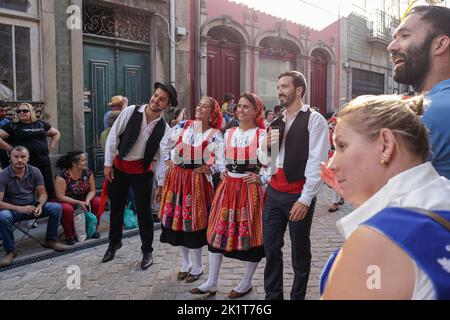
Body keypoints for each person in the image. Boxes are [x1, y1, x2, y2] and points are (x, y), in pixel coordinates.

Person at [320, 94, 450, 299]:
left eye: (342, 146)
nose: (331, 164)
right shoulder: (440, 196)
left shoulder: (379, 238)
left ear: (385, 145)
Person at [190, 93, 268, 298]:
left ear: (256, 110)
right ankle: (212, 281)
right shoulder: (230, 132)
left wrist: (262, 178)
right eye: (239, 106)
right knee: (217, 229)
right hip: (228, 186)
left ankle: (246, 282)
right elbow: (221, 157)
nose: (240, 110)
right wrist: (222, 169)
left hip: (249, 188)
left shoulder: (264, 134)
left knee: (250, 232)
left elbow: (273, 163)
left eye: (245, 107)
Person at [261, 71, 329, 300]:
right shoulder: (276, 121)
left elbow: (317, 162)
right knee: (270, 249)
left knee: (299, 253)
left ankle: (297, 297)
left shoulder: (314, 119)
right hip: (273, 194)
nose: (280, 91)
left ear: (298, 90)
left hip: (296, 196)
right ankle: (273, 298)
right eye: (278, 86)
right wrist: (264, 148)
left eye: (285, 86)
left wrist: (305, 199)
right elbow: (269, 161)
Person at [101, 82, 175, 270]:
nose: (156, 100)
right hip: (119, 168)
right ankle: (114, 243)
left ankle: (147, 251)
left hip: (142, 173)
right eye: (156, 95)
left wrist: (160, 184)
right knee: (116, 209)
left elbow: (161, 158)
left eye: (162, 99)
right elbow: (113, 136)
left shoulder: (164, 129)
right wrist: (108, 164)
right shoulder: (131, 111)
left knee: (144, 213)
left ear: (167, 105)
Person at [157, 96, 224, 283]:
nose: (199, 108)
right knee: (178, 221)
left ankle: (198, 264)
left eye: (204, 107)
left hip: (196, 181)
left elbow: (221, 159)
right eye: (199, 105)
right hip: (177, 178)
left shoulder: (214, 134)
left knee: (194, 221)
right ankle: (185, 263)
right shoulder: (182, 126)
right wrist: (167, 160)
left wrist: (209, 168)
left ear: (212, 113)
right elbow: (164, 144)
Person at [387, 5, 450, 179]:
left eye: (405, 36)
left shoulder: (430, 111)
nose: (391, 47)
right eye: (394, 38)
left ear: (440, 44)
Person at [0, 146, 65, 267]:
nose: (20, 160)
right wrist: (19, 208)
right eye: (16, 157)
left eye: (23, 157)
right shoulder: (4, 174)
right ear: (10, 157)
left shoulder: (35, 171)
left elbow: (43, 193)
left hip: (32, 207)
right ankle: (10, 251)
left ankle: (50, 240)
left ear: (28, 158)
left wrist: (40, 205)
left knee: (56, 207)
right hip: (13, 210)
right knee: (3, 216)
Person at [0, 103, 61, 199]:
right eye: (19, 111)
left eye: (25, 110)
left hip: (43, 161)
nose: (21, 113)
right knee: (25, 191)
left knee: (48, 188)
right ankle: (25, 211)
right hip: (24, 164)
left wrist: (50, 147)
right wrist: (11, 149)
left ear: (31, 111)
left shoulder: (40, 123)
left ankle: (48, 209)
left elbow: (56, 133)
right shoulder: (13, 126)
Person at [55, 151, 102, 245]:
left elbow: (92, 190)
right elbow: (60, 197)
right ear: (74, 163)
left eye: (85, 160)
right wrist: (78, 202)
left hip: (84, 198)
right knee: (66, 209)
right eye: (83, 160)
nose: (86, 162)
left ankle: (92, 230)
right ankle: (70, 235)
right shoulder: (62, 176)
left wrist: (87, 200)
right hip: (68, 200)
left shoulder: (87, 172)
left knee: (97, 201)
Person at [0, 101, 10, 168]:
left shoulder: (8, 122)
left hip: (4, 152)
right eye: (1, 110)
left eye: (5, 111)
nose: (4, 113)